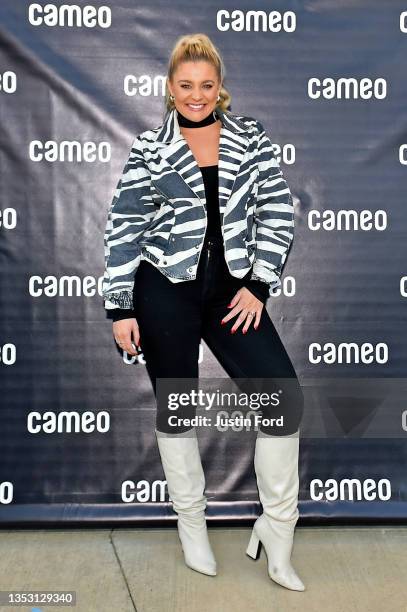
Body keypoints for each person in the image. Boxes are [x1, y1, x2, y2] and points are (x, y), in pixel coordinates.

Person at [102, 33, 305, 591]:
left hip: (231, 294)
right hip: (164, 290)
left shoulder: (251, 138)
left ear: (221, 89)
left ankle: (278, 530)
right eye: (186, 86)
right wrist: (120, 304)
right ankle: (192, 526)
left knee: (282, 399)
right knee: (179, 408)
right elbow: (124, 228)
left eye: (206, 86)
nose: (196, 96)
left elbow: (278, 212)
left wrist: (259, 283)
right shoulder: (150, 148)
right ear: (170, 89)